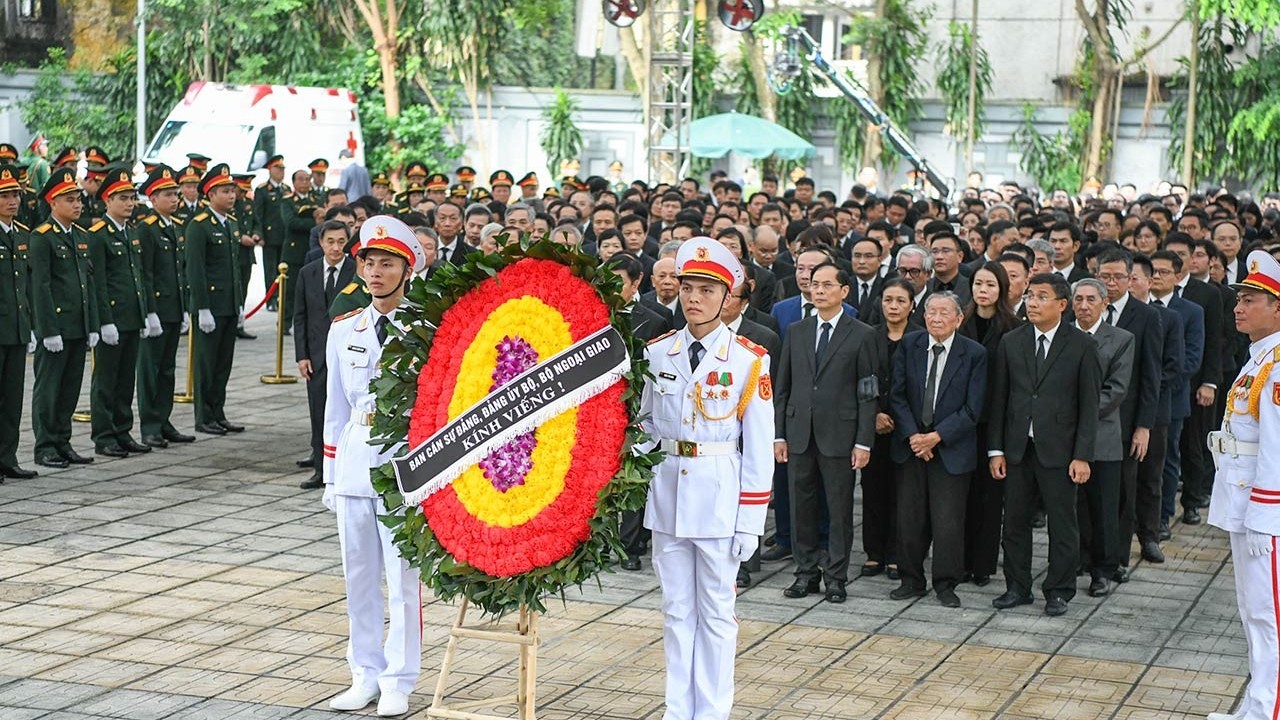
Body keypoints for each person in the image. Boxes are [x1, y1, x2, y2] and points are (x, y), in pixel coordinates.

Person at [640, 236, 772, 720]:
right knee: (676, 613)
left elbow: (758, 448)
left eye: (706, 289)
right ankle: (679, 711)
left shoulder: (748, 359)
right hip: (668, 497)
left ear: (727, 295)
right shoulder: (659, 353)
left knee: (716, 615)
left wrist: (750, 522)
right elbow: (646, 423)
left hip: (720, 501)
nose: (694, 298)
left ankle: (712, 712)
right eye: (687, 287)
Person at [323, 215, 427, 717]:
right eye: (370, 262)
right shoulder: (346, 328)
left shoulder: (426, 329)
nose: (377, 272)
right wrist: (329, 473)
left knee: (403, 580)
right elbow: (334, 407)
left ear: (407, 270)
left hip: (404, 462)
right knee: (357, 576)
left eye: (389, 263)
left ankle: (399, 680)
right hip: (354, 461)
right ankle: (363, 672)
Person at [989, 273, 1101, 617]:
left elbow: (1089, 406)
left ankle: (1058, 589)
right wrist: (996, 450)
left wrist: (1082, 455)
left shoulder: (1082, 345)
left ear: (1062, 305)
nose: (1032, 303)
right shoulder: (1012, 341)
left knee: (1062, 524)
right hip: (1019, 449)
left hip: (1061, 451)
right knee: (1016, 522)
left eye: (1041, 297)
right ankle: (1017, 587)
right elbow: (1000, 400)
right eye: (1029, 296)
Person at [1205, 249, 1280, 720]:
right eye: (1240, 297)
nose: (1239, 306)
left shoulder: (1275, 367)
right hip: (1244, 503)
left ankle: (1269, 710)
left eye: (1252, 298)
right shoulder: (1259, 358)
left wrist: (1264, 516)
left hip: (1265, 514)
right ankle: (1257, 706)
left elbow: (1275, 448)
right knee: (1252, 614)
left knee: (1269, 617)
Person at [774, 262, 877, 603]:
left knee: (838, 510)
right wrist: (779, 434)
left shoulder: (862, 333)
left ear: (844, 291)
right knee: (800, 507)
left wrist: (864, 440)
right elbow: (783, 387)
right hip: (800, 432)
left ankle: (836, 575)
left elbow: (868, 392)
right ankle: (805, 572)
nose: (818, 290)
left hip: (840, 436)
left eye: (826, 285)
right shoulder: (797, 330)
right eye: (815, 284)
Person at [888, 291, 986, 607]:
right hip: (912, 447)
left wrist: (937, 437)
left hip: (951, 450)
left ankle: (945, 583)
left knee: (948, 521)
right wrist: (915, 436)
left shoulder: (974, 353)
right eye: (931, 312)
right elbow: (898, 396)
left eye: (945, 313)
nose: (937, 318)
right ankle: (911, 579)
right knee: (909, 518)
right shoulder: (910, 345)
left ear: (959, 319)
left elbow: (974, 408)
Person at [958, 262, 1022, 586]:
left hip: (994, 421)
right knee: (961, 496)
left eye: (990, 285)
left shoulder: (1012, 326)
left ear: (1001, 290)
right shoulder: (961, 321)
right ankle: (960, 561)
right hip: (961, 422)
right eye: (978, 284)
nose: (983, 291)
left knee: (989, 497)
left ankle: (982, 565)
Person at [29, 167, 98, 468]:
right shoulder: (42, 237)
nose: (77, 205)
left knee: (70, 388)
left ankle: (62, 441)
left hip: (77, 324)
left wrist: (92, 324)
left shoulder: (80, 236)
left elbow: (88, 283)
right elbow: (40, 287)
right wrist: (47, 329)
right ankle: (45, 446)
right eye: (69, 199)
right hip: (55, 327)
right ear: (53, 203)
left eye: (78, 199)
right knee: (49, 388)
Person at [1071, 278, 1133, 598]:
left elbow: (1116, 390)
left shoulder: (1120, 339)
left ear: (1104, 303)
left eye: (1090, 299)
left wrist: (1074, 415)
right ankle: (1077, 560)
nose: (1083, 305)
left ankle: (1104, 569)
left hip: (1102, 435)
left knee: (1105, 506)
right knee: (1072, 506)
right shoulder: (1063, 335)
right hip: (1064, 437)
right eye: (1078, 299)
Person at [87, 165, 153, 458]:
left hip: (131, 316)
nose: (129, 203)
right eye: (122, 198)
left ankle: (122, 430)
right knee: (106, 380)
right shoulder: (99, 234)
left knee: (126, 379)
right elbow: (98, 282)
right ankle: (104, 435)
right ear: (107, 201)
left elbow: (138, 276)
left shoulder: (131, 232)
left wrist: (145, 312)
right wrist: (104, 322)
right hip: (111, 319)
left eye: (131, 197)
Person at [135, 165, 195, 449]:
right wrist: (149, 312)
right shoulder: (146, 229)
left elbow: (181, 273)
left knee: (168, 369)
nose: (175, 199)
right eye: (168, 195)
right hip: (156, 309)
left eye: (176, 194)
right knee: (150, 369)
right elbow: (145, 273)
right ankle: (149, 426)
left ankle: (163, 419)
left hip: (173, 308)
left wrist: (184, 308)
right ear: (153, 197)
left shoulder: (177, 227)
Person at [295, 220, 356, 490]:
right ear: (321, 243)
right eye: (330, 241)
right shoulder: (308, 272)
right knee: (319, 413)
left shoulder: (357, 271)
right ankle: (321, 470)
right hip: (316, 356)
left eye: (341, 241)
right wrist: (302, 355)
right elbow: (300, 316)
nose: (335, 247)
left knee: (346, 415)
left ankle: (345, 469)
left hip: (346, 356)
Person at [186, 164, 246, 436]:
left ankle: (218, 411)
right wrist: (202, 308)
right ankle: (204, 416)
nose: (231, 195)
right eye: (225, 191)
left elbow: (235, 269)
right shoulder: (199, 226)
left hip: (229, 304)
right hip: (210, 305)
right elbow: (196, 270)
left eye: (232, 190)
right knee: (207, 364)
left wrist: (240, 303)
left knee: (223, 363)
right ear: (210, 194)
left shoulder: (232, 223)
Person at [0, 164, 35, 480]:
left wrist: (31, 324)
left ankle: (7, 457)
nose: (13, 201)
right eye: (5, 196)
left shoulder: (22, 234)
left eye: (15, 195)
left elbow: (26, 284)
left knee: (12, 399)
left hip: (17, 327)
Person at [254, 155, 289, 310]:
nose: (281, 172)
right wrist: (259, 234)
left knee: (285, 268)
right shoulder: (262, 190)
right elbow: (258, 214)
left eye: (283, 169)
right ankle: (271, 299)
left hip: (286, 237)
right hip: (269, 237)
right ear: (270, 170)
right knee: (270, 270)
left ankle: (283, 298)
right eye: (278, 169)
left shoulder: (287, 189)